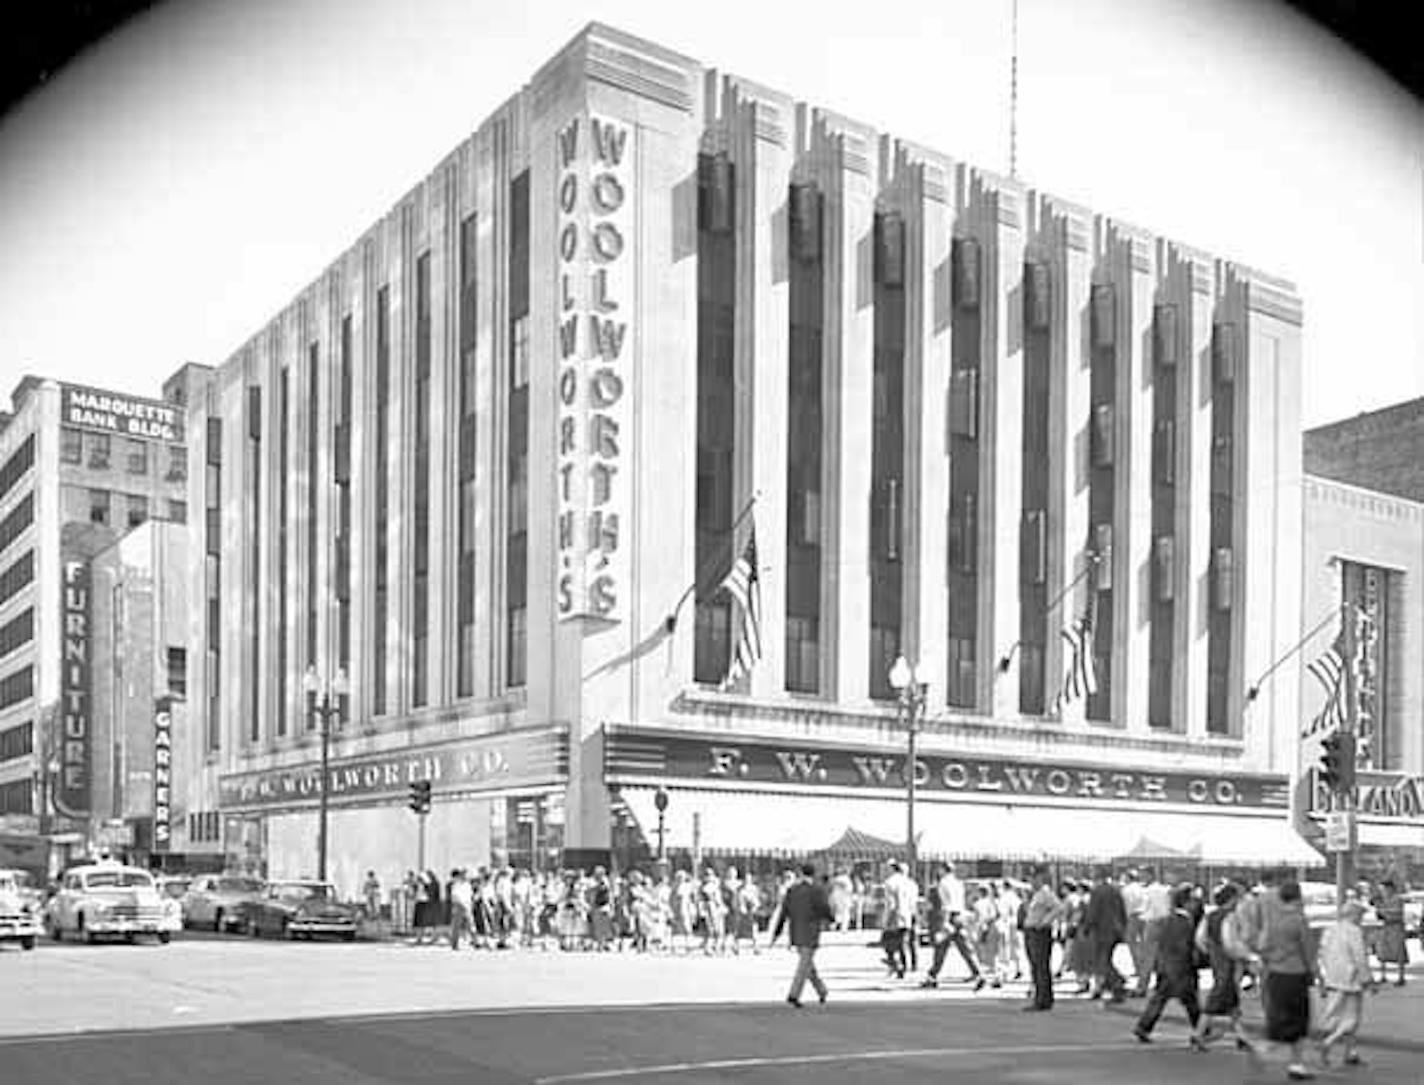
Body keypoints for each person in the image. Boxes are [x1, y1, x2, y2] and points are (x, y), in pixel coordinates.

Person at [1257, 879, 1318, 1081]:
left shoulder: (1272, 921)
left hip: (1275, 973)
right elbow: (1308, 950)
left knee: (1279, 1016)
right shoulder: (1299, 920)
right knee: (1299, 1020)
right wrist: (1316, 973)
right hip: (1295, 973)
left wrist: (1272, 958)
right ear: (1299, 897)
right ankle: (1296, 1063)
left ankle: (1267, 1047)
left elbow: (1262, 946)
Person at [1133, 885, 1203, 1048]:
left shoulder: (1168, 919)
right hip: (1179, 966)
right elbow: (1184, 946)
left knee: (1162, 998)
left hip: (1166, 964)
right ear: (1186, 902)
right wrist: (1193, 960)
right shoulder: (1184, 920)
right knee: (1189, 1000)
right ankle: (1201, 1029)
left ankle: (1144, 1026)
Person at [1193, 882, 1252, 1052]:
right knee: (1218, 997)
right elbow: (1230, 941)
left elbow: (1200, 938)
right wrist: (1245, 956)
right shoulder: (1230, 916)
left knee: (1231, 1001)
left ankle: (1242, 1036)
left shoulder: (1209, 916)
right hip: (1228, 961)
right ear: (1232, 899)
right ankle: (1198, 1034)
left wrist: (1210, 951)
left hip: (1216, 959)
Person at [1317, 898, 1373, 1069]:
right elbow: (1359, 958)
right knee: (1352, 1018)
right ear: (1354, 915)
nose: (1362, 919)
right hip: (1351, 979)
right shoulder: (1354, 931)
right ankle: (1329, 1041)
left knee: (1336, 1013)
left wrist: (1323, 977)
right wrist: (1367, 979)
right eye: (1361, 915)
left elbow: (1322, 953)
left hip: (1333, 977)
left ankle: (1351, 1052)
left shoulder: (1330, 929)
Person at [771, 862, 834, 1007]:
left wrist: (777, 932)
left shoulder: (792, 890)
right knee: (804, 965)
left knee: (807, 964)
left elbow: (784, 912)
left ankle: (821, 990)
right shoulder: (817, 891)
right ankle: (794, 994)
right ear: (814, 874)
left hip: (795, 931)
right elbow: (823, 908)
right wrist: (831, 919)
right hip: (811, 931)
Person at [919, 861, 985, 990]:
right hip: (959, 916)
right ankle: (978, 973)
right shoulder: (958, 883)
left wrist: (944, 922)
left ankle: (932, 977)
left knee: (940, 948)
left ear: (942, 870)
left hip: (949, 916)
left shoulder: (943, 883)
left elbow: (946, 904)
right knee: (965, 948)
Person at [1081, 866, 1128, 1003]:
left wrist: (1087, 927)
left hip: (1102, 930)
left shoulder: (1097, 891)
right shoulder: (1115, 890)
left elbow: (1093, 912)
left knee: (1102, 961)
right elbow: (1122, 910)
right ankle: (1106, 986)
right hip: (1115, 929)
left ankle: (1117, 984)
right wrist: (1123, 927)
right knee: (1106, 959)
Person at [1022, 867, 1062, 1011]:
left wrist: (1045, 921)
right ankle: (1042, 997)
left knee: (1041, 966)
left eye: (1034, 878)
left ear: (1039, 878)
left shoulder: (1045, 893)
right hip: (1031, 931)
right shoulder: (1035, 894)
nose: (1031, 881)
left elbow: (1058, 907)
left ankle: (1042, 999)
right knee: (1036, 966)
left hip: (1040, 932)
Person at [881, 861, 918, 980]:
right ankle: (904, 965)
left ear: (892, 870)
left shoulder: (890, 883)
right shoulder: (910, 883)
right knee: (903, 942)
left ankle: (896, 964)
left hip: (895, 915)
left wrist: (886, 919)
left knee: (887, 942)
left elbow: (890, 903)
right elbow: (913, 901)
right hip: (907, 914)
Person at [1372, 878, 1408, 986]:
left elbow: (1397, 912)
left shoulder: (1397, 899)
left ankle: (1401, 977)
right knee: (1382, 951)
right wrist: (1378, 908)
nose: (1383, 891)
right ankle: (1383, 975)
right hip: (1386, 926)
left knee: (1398, 951)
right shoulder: (1383, 900)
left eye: (1384, 889)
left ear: (1390, 888)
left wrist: (1383, 910)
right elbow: (1380, 915)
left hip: (1396, 926)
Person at [1121, 869, 1149, 995]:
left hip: (1133, 916)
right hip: (1145, 915)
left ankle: (1139, 967)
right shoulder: (1142, 888)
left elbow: (1126, 905)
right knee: (1144, 943)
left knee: (1131, 942)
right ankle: (1143, 967)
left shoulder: (1126, 890)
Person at [448, 869, 474, 951]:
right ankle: (454, 944)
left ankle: (475, 941)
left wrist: (469, 904)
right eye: (463, 875)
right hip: (459, 905)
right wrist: (461, 903)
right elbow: (455, 895)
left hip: (467, 905)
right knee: (456, 925)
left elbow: (470, 895)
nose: (465, 877)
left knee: (471, 924)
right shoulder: (457, 884)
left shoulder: (468, 885)